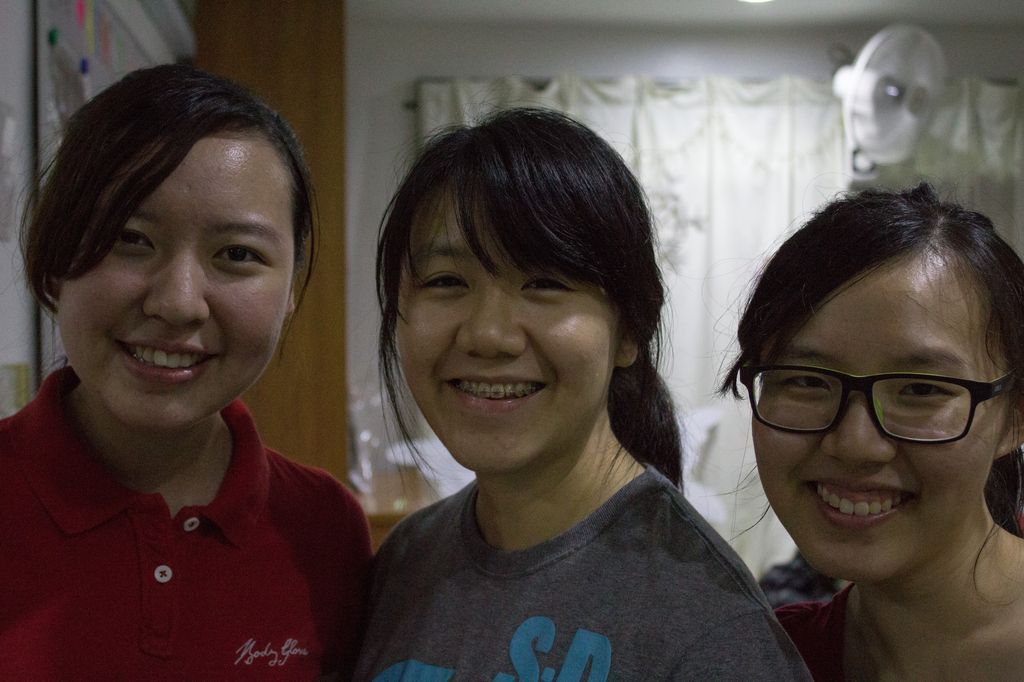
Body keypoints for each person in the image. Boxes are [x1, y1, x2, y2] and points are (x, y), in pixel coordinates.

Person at [354, 107, 810, 680]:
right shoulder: (405, 560)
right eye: (447, 281)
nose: (488, 335)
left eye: (545, 283)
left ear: (629, 331)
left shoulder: (709, 626)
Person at [0, 64, 371, 679]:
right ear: (55, 258)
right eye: (130, 238)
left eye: (237, 254)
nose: (177, 303)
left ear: (291, 292)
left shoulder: (325, 529)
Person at [721, 183, 1024, 680]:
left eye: (921, 390)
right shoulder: (770, 660)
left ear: (1014, 417)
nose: (855, 444)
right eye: (806, 381)